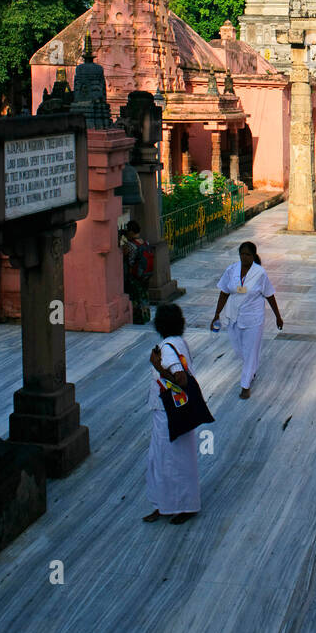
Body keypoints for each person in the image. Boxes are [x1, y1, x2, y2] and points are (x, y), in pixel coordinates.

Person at [144, 303, 200, 525]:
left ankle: (182, 505)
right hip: (177, 410)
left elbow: (180, 379)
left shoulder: (167, 348)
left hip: (168, 411)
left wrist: (158, 368)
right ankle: (165, 505)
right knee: (168, 458)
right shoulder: (179, 342)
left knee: (169, 459)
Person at [211, 240, 283, 398]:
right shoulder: (231, 270)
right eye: (242, 254)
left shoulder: (260, 273)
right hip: (233, 317)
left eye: (248, 255)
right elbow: (224, 292)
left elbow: (269, 295)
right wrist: (216, 314)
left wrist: (278, 316)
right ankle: (251, 369)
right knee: (240, 350)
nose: (244, 257)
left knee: (250, 351)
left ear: (253, 256)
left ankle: (245, 385)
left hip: (253, 318)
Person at [121, 219, 152, 324]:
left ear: (130, 232)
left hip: (135, 276)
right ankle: (146, 316)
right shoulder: (145, 243)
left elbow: (129, 260)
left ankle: (138, 318)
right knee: (144, 296)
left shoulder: (131, 245)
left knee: (136, 298)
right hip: (146, 274)